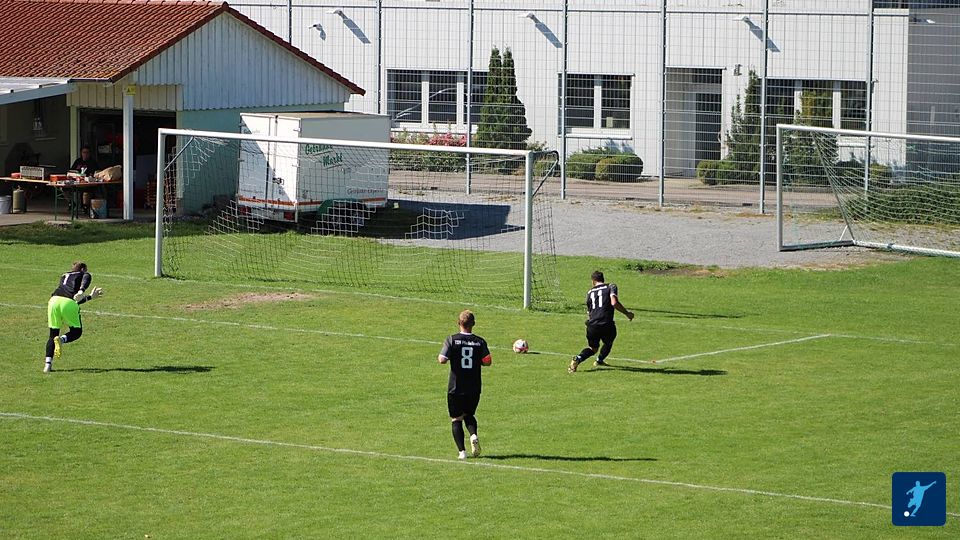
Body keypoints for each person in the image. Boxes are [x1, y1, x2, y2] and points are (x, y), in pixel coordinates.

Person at [438, 310, 492, 460]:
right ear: (473, 324)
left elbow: (442, 359)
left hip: (455, 387)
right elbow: (487, 361)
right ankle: (473, 435)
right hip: (474, 386)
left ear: (458, 323)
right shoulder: (480, 341)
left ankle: (462, 452)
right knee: (469, 414)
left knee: (456, 419)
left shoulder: (452, 339)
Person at [568, 271, 634, 373]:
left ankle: (577, 359)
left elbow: (589, 312)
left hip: (592, 325)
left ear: (593, 281)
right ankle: (599, 360)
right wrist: (627, 313)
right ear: (603, 279)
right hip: (606, 323)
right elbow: (614, 303)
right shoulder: (611, 286)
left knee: (593, 349)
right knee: (608, 342)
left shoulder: (589, 292)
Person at [45, 262, 103, 373]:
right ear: (82, 269)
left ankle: (47, 365)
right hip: (68, 303)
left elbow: (73, 299)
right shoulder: (83, 273)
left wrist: (90, 297)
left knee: (52, 335)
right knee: (76, 332)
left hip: (53, 301)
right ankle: (61, 340)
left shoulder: (64, 276)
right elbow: (86, 277)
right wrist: (81, 291)